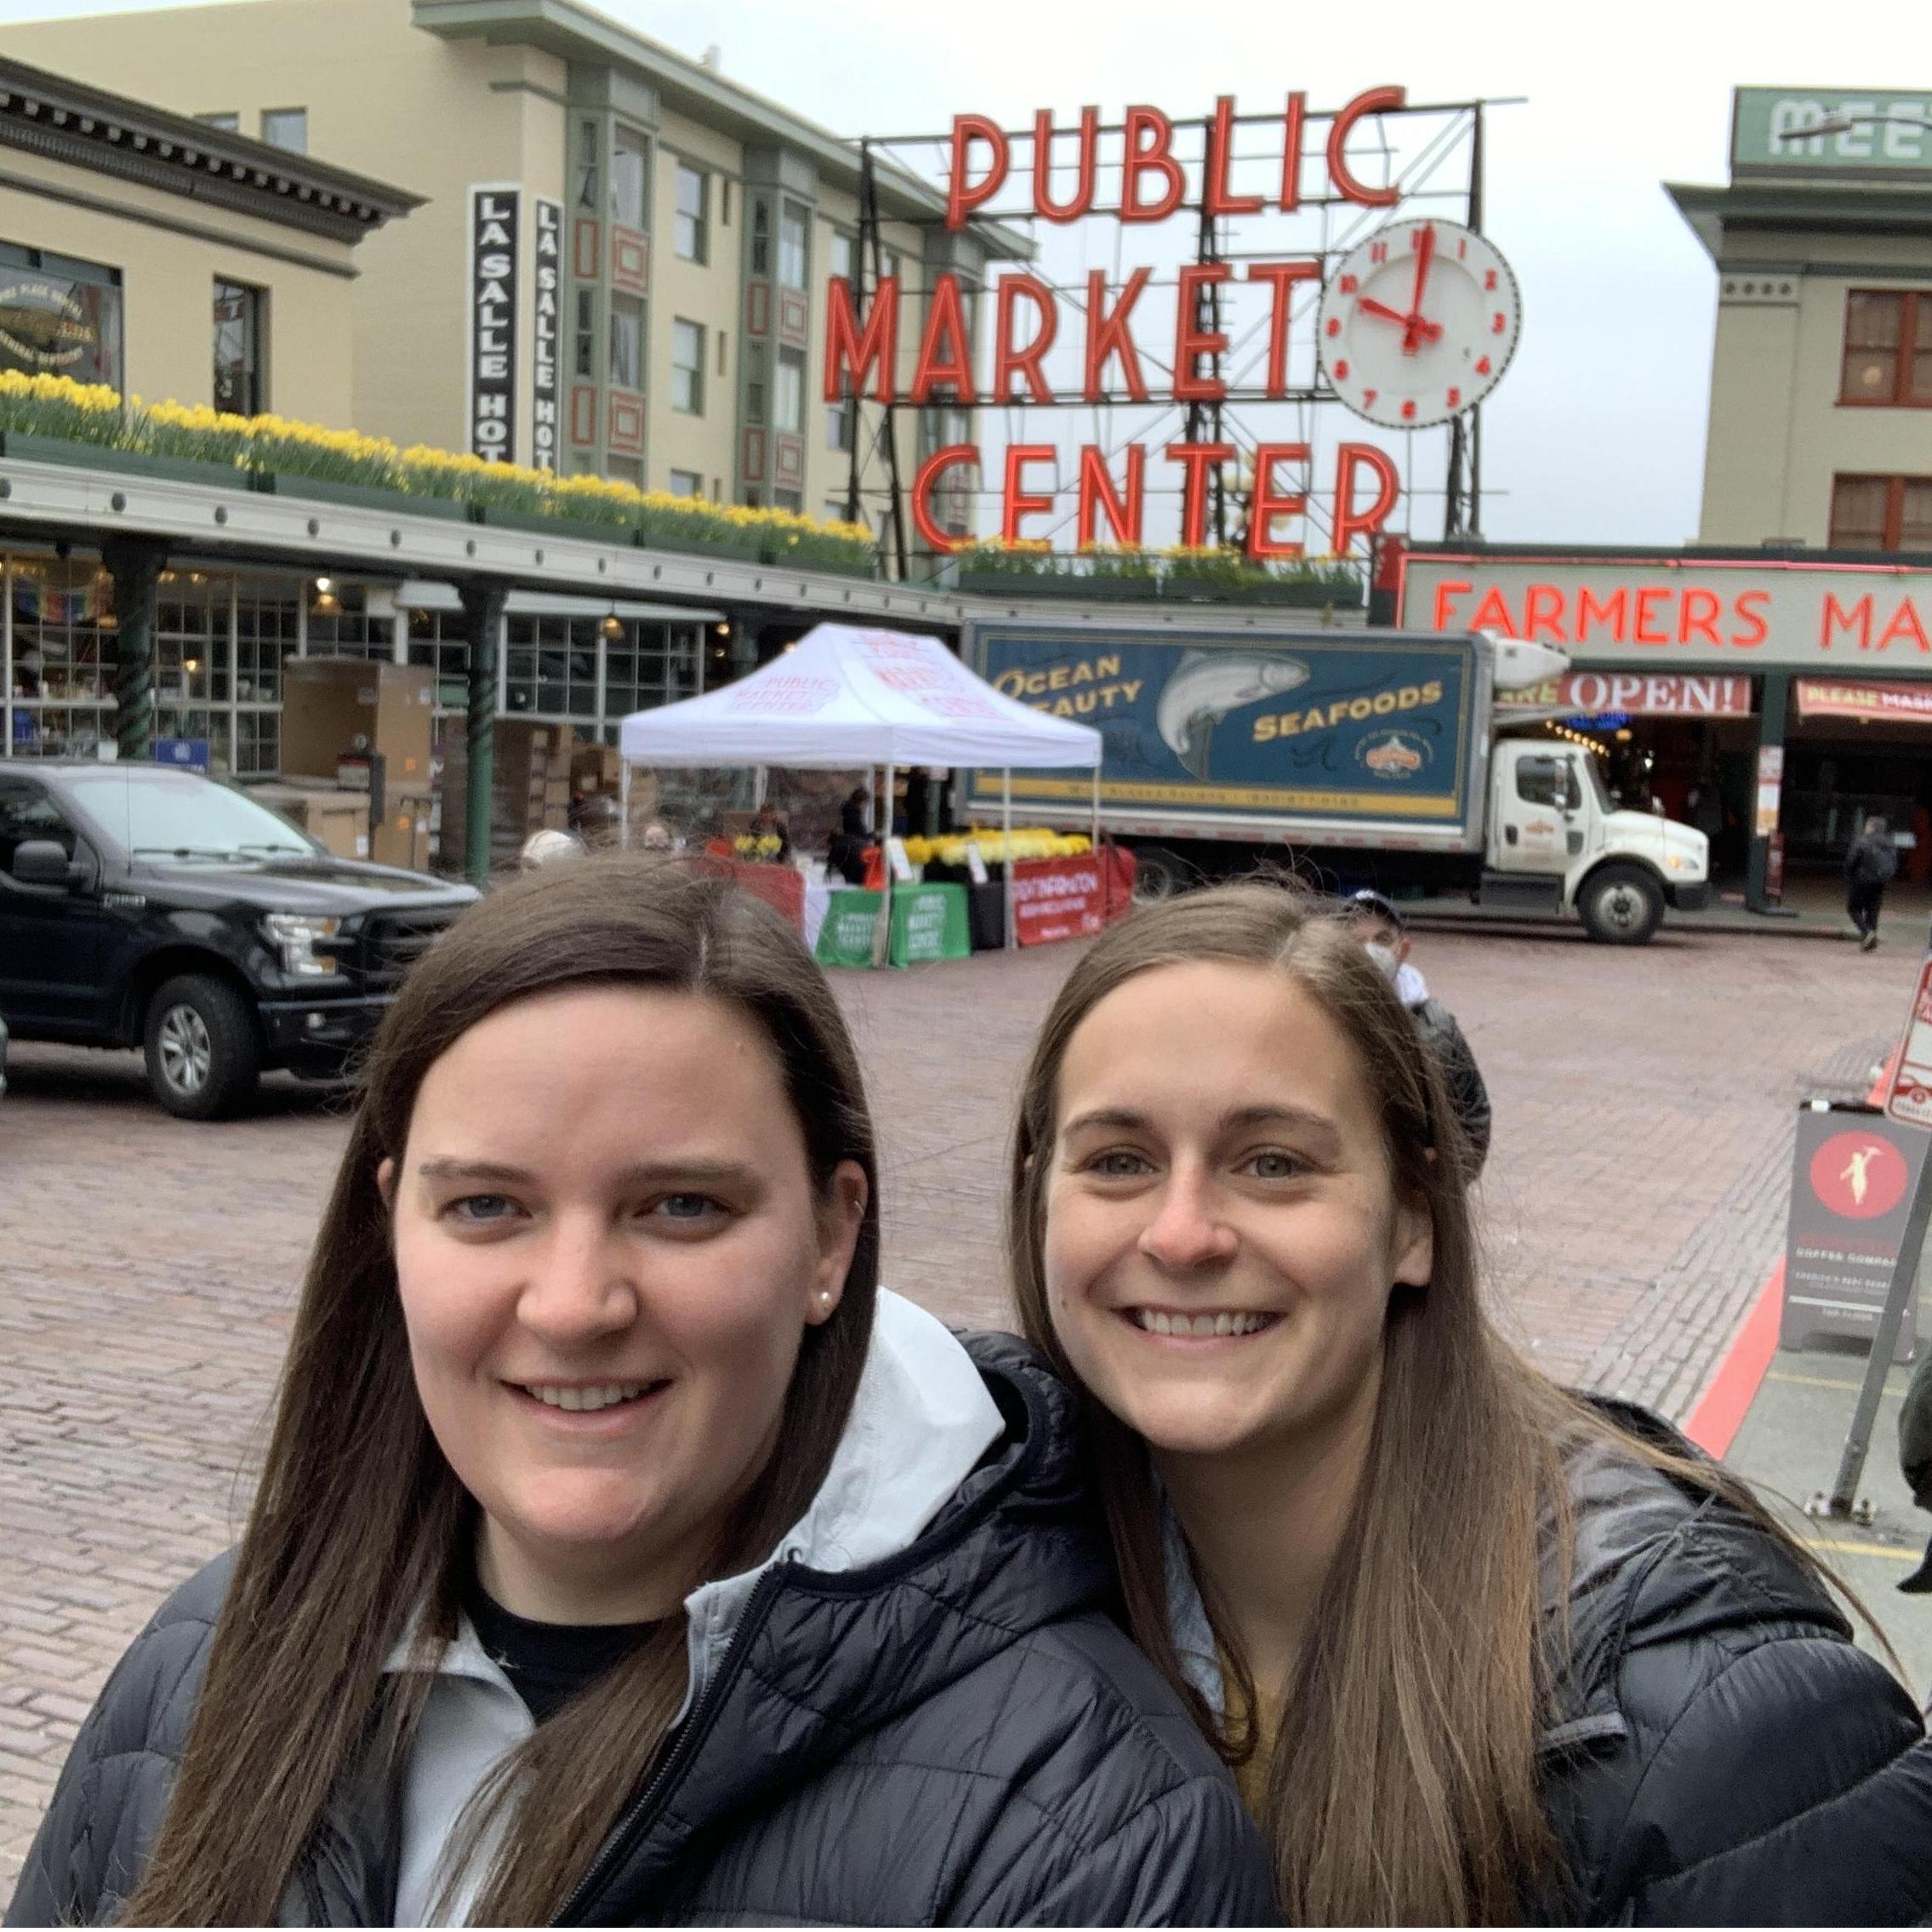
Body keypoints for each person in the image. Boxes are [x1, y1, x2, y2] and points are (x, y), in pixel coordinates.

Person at [10, 861, 1268, 1929]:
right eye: (487, 1204)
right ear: (390, 1221)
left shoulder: (1082, 1829)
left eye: (680, 1206)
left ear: (832, 1238)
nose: (570, 1303)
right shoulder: (203, 1658)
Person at [1006, 881, 1932, 1925]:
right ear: (1039, 1196)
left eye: (1272, 1163)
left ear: (1414, 1221)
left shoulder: (1718, 1739)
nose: (1180, 1235)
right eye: (1118, 1161)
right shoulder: (968, 1578)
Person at [1342, 888, 1491, 1172]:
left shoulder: (1436, 1026)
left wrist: (1435, 1186)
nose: (1369, 951)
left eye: (1382, 939)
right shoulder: (1317, 1017)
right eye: (1355, 941)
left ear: (1403, 949)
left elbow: (1473, 1118)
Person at [1845, 812, 1898, 952]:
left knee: (1853, 908)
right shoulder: (1890, 843)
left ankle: (1867, 933)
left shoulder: (1862, 841)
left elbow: (1852, 861)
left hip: (1861, 880)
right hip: (1880, 881)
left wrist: (1849, 876)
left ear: (1871, 827)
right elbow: (1893, 863)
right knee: (1872, 911)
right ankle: (1870, 941)